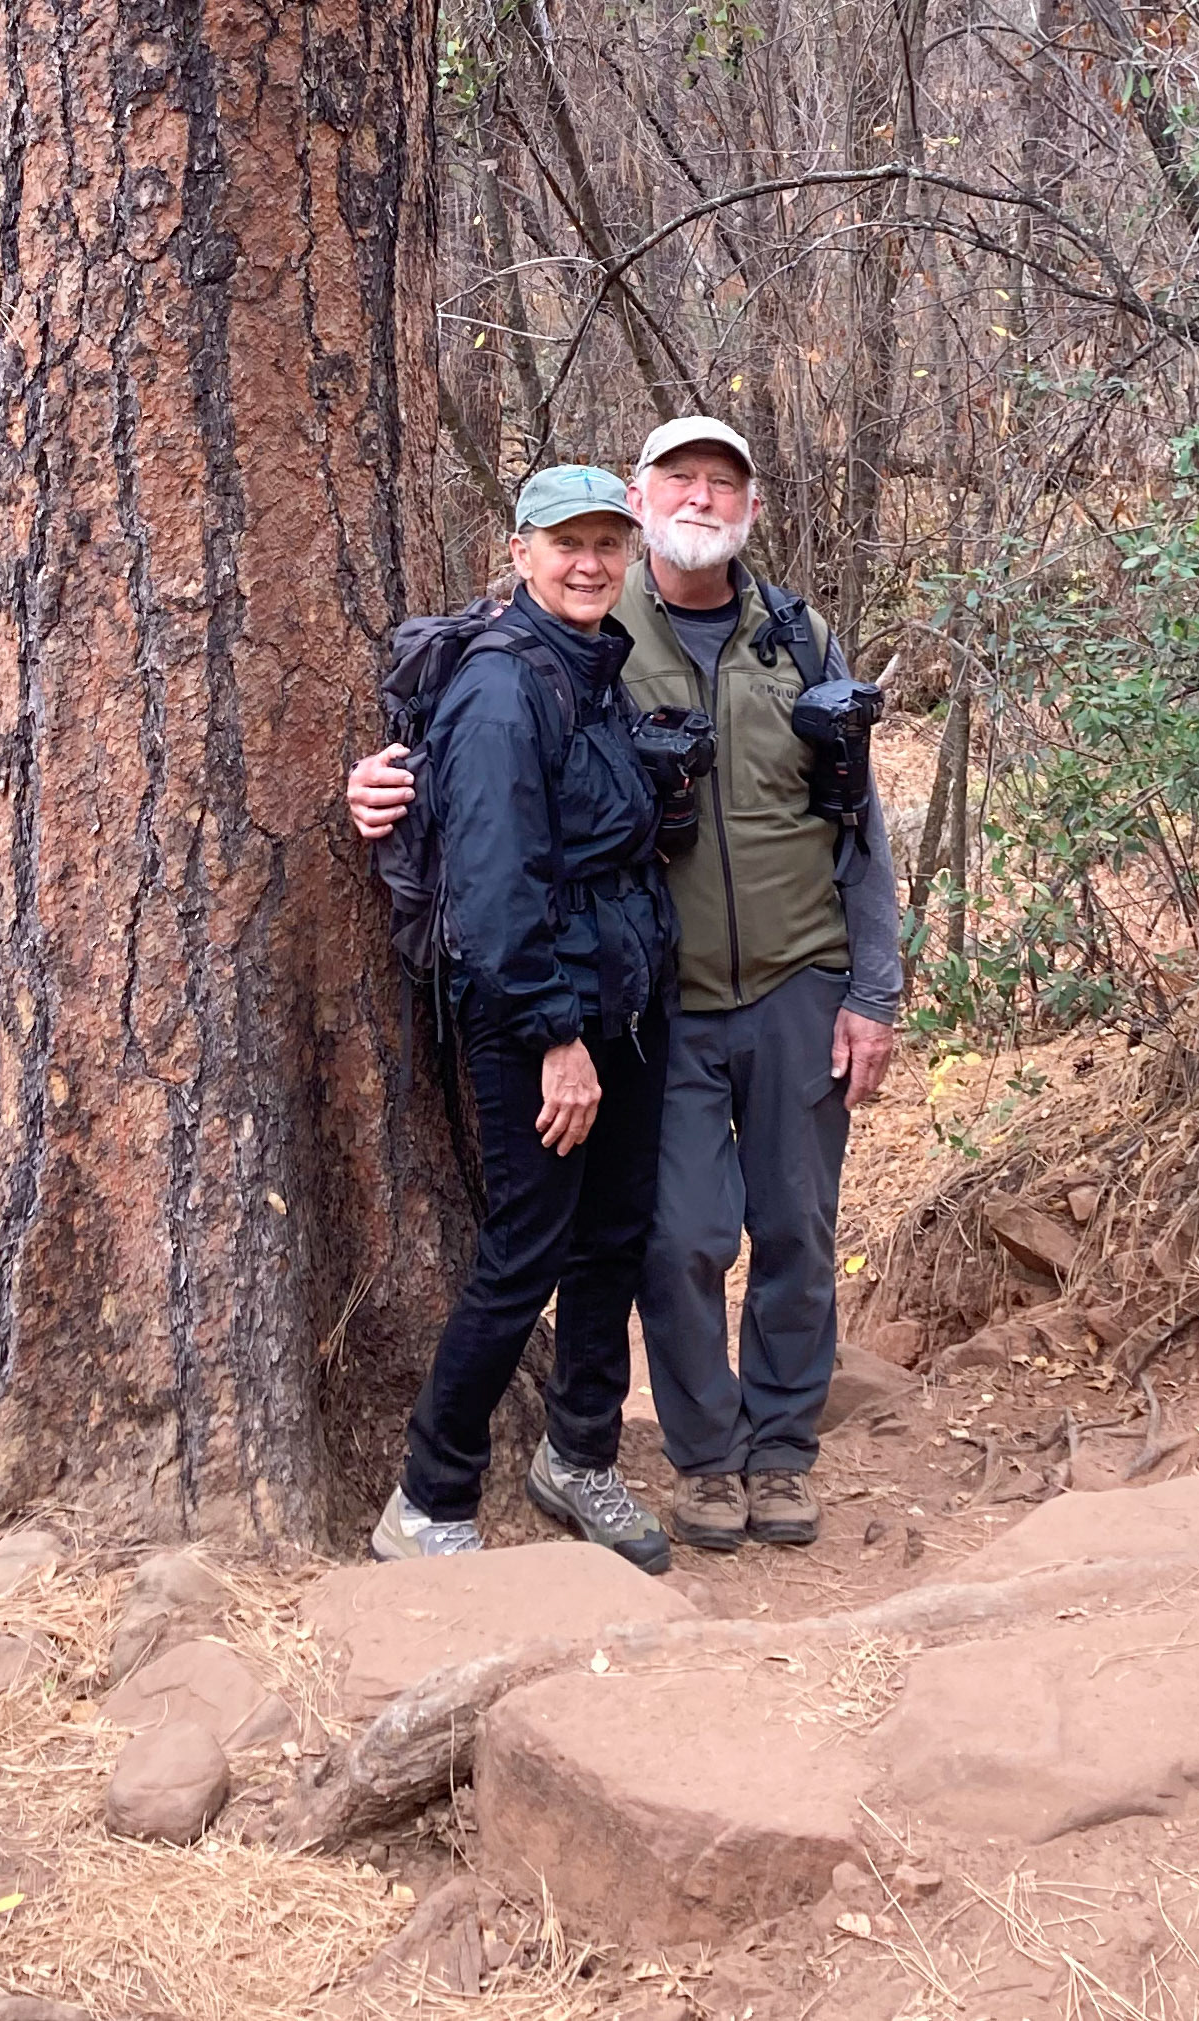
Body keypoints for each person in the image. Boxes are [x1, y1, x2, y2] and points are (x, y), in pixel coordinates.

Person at [353, 419, 901, 1555]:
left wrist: (874, 988)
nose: (698, 500)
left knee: (774, 1227)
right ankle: (688, 1462)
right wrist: (371, 781)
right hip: (647, 1004)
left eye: (724, 483)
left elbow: (860, 822)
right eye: (677, 481)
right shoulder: (565, 636)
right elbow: (468, 763)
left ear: (748, 507)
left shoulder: (790, 637)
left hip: (765, 984)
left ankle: (762, 1453)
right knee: (673, 1239)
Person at [369, 464, 677, 1572]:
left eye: (607, 543)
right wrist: (557, 1039)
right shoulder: (503, 689)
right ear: (520, 552)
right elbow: (497, 894)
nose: (589, 562)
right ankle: (427, 1498)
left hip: (624, 999)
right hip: (538, 1015)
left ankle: (577, 1456)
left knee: (613, 1237)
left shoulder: (596, 668)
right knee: (526, 1251)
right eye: (566, 542)